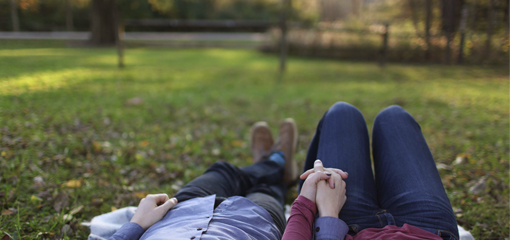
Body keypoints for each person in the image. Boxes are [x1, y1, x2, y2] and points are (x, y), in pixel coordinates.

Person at [95, 119, 307, 240]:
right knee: (268, 188)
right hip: (253, 225)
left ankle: (273, 162)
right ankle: (277, 162)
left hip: (180, 215)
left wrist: (137, 224)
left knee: (223, 170)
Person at [282, 102, 459, 240]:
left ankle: (284, 166)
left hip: (344, 228)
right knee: (394, 117)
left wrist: (307, 201)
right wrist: (327, 212)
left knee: (341, 113)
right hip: (428, 230)